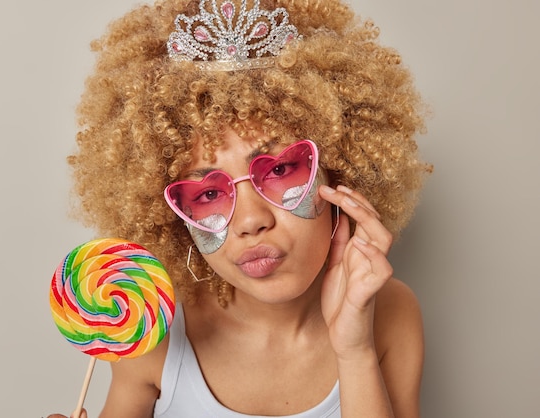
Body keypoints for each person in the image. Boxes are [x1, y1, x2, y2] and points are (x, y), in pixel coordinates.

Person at [48, 0, 431, 416]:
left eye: (281, 168)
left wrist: (354, 350)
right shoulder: (153, 326)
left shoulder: (390, 313)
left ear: (339, 175)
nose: (251, 221)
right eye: (208, 194)